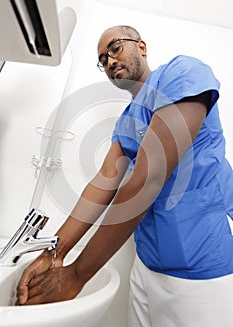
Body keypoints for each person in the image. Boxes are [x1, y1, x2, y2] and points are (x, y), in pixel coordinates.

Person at [16, 25, 233, 327]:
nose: (109, 61)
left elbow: (148, 177)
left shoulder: (184, 73)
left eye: (115, 48)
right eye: (102, 60)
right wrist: (56, 252)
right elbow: (104, 181)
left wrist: (77, 275)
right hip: (147, 264)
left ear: (141, 46)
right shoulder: (127, 121)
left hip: (201, 267)